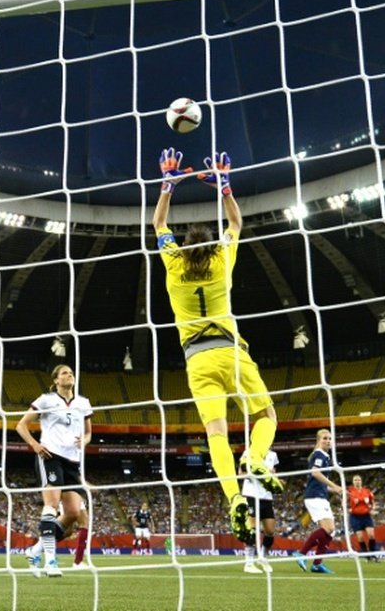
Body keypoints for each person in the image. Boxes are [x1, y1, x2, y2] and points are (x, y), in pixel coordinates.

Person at [152, 147, 282, 542]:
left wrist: (168, 186)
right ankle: (256, 458)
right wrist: (224, 187)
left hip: (197, 360)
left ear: (184, 248)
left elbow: (158, 223)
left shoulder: (173, 264)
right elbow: (237, 223)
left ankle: (234, 499)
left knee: (215, 434)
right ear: (208, 247)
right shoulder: (222, 260)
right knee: (266, 416)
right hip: (231, 352)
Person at [15, 364, 93, 577]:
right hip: (50, 457)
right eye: (65, 373)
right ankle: (50, 561)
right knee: (51, 505)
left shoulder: (83, 403)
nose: (70, 375)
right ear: (56, 380)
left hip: (72, 461)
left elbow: (88, 433)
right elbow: (21, 425)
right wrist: (35, 445)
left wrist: (83, 441)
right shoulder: (46, 400)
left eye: (71, 373)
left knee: (73, 513)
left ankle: (34, 550)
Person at [293, 429, 342, 574]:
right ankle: (301, 554)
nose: (327, 441)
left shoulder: (325, 456)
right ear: (318, 440)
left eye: (329, 438)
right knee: (329, 529)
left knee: (330, 532)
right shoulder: (319, 455)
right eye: (324, 438)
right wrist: (334, 485)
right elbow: (315, 472)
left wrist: (338, 490)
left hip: (320, 495)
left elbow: (320, 483)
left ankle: (317, 564)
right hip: (315, 497)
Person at [241, 449, 279, 574]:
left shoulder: (273, 455)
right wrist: (254, 473)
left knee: (270, 530)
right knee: (252, 528)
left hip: (266, 496)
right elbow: (240, 474)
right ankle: (249, 563)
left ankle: (262, 557)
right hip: (251, 494)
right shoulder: (249, 453)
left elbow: (274, 474)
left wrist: (274, 477)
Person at [347, 474, 378, 561]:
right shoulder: (350, 491)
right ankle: (367, 555)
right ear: (353, 482)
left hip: (366, 516)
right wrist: (347, 508)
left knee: (371, 535)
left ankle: (373, 554)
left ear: (361, 481)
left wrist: (373, 508)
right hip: (355, 517)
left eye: (359, 480)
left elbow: (372, 502)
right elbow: (344, 501)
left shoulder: (367, 491)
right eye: (355, 480)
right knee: (360, 537)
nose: (357, 481)